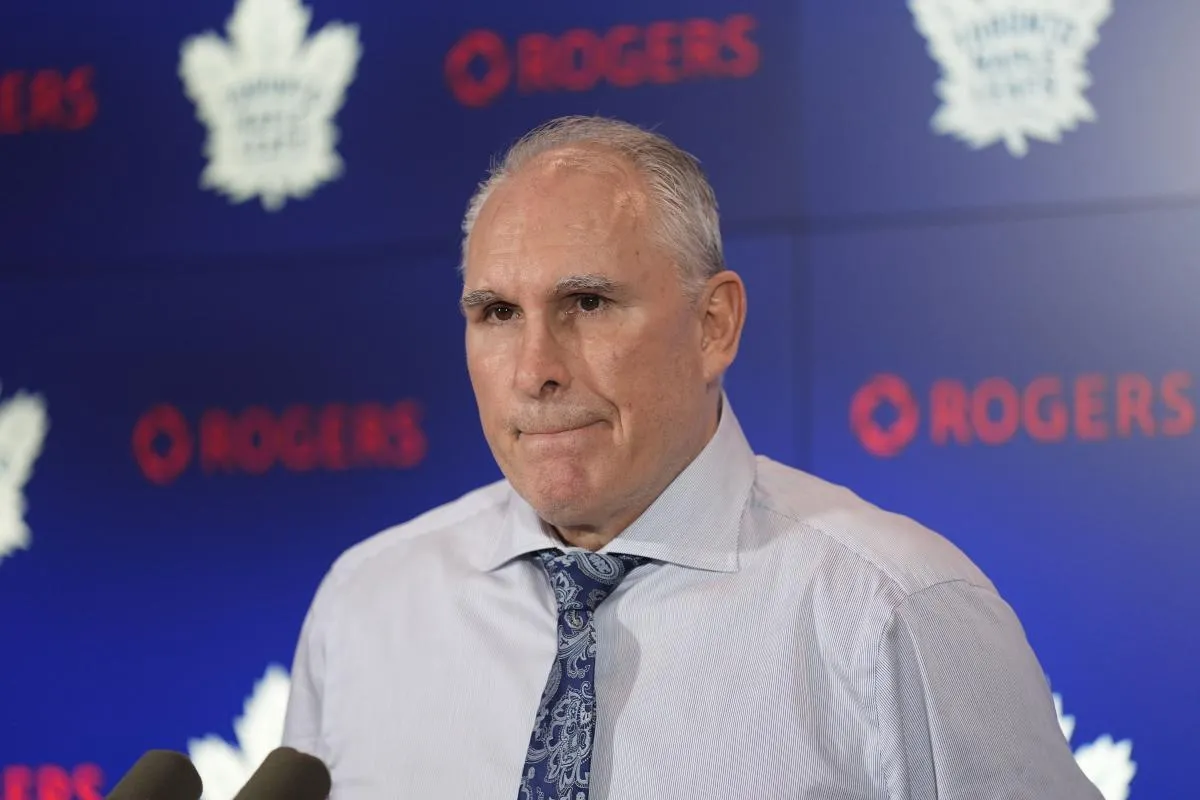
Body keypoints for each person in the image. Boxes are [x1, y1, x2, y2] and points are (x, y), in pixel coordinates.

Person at [280, 115, 1103, 799]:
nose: (536, 370)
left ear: (715, 325)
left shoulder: (892, 610)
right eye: (496, 312)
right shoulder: (367, 604)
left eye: (588, 302)